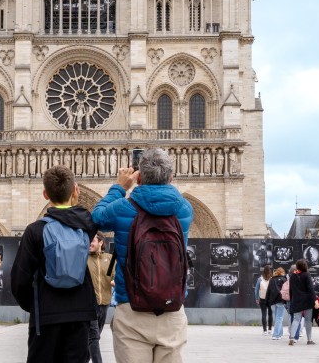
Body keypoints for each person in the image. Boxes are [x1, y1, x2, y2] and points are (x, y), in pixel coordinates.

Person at [92, 148, 193, 363]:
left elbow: (96, 218)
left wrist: (119, 187)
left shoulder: (123, 209)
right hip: (171, 309)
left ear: (138, 177)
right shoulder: (185, 210)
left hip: (132, 309)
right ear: (172, 177)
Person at [11, 165, 98, 363]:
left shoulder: (34, 230)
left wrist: (36, 305)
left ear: (44, 193)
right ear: (75, 190)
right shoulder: (87, 226)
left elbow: (19, 279)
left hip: (46, 316)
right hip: (79, 313)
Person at [86, 233, 113, 363]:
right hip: (89, 304)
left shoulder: (110, 258)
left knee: (94, 338)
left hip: (105, 303)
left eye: (92, 240)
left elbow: (114, 275)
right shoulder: (84, 258)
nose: (89, 243)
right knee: (94, 337)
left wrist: (114, 281)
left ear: (101, 242)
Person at [287, 259, 317, 346]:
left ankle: (292, 337)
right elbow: (311, 289)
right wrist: (315, 300)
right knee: (308, 320)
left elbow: (291, 290)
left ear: (297, 267)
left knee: (296, 319)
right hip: (307, 301)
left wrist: (292, 299)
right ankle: (309, 339)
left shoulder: (292, 276)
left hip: (296, 300)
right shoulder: (307, 275)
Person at [265, 267, 287, 340]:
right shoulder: (284, 280)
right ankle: (275, 335)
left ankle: (280, 334)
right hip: (281, 301)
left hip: (272, 302)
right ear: (282, 272)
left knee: (277, 318)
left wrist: (266, 301)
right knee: (279, 318)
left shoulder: (272, 280)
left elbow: (268, 291)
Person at [254, 265, 273, 335]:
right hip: (270, 299)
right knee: (270, 314)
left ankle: (264, 331)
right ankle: (270, 330)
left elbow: (256, 290)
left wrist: (256, 298)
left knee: (263, 314)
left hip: (262, 298)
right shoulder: (272, 278)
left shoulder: (260, 279)